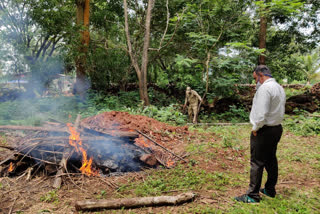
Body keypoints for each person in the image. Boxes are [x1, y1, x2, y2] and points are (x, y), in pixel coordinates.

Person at [235, 65, 286, 203]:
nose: (255, 82)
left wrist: (256, 128)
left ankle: (252, 195)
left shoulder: (265, 88)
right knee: (270, 159)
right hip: (276, 128)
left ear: (260, 75)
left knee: (256, 162)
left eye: (255, 78)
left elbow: (261, 113)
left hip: (264, 129)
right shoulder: (279, 87)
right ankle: (270, 189)